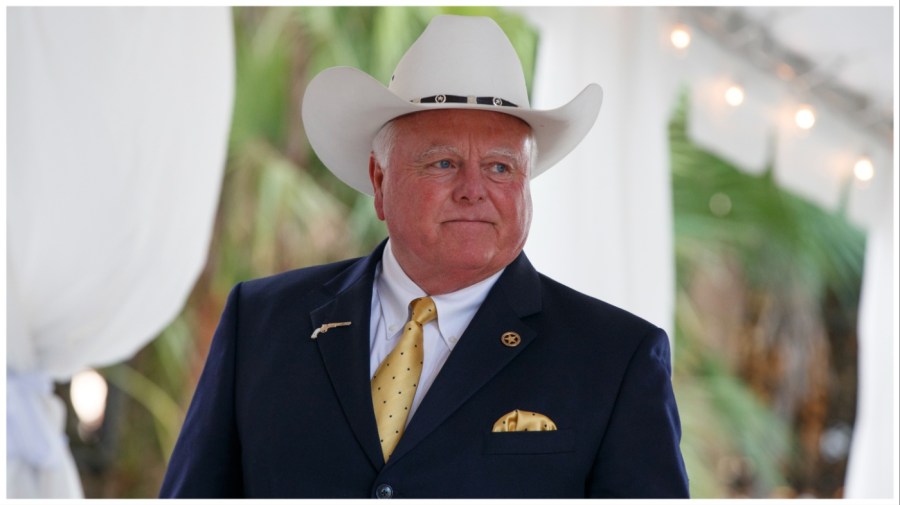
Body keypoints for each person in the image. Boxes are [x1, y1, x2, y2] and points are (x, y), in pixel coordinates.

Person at [160, 14, 689, 498]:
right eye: (442, 163)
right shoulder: (262, 321)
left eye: (502, 168)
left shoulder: (615, 359)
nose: (473, 190)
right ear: (379, 180)